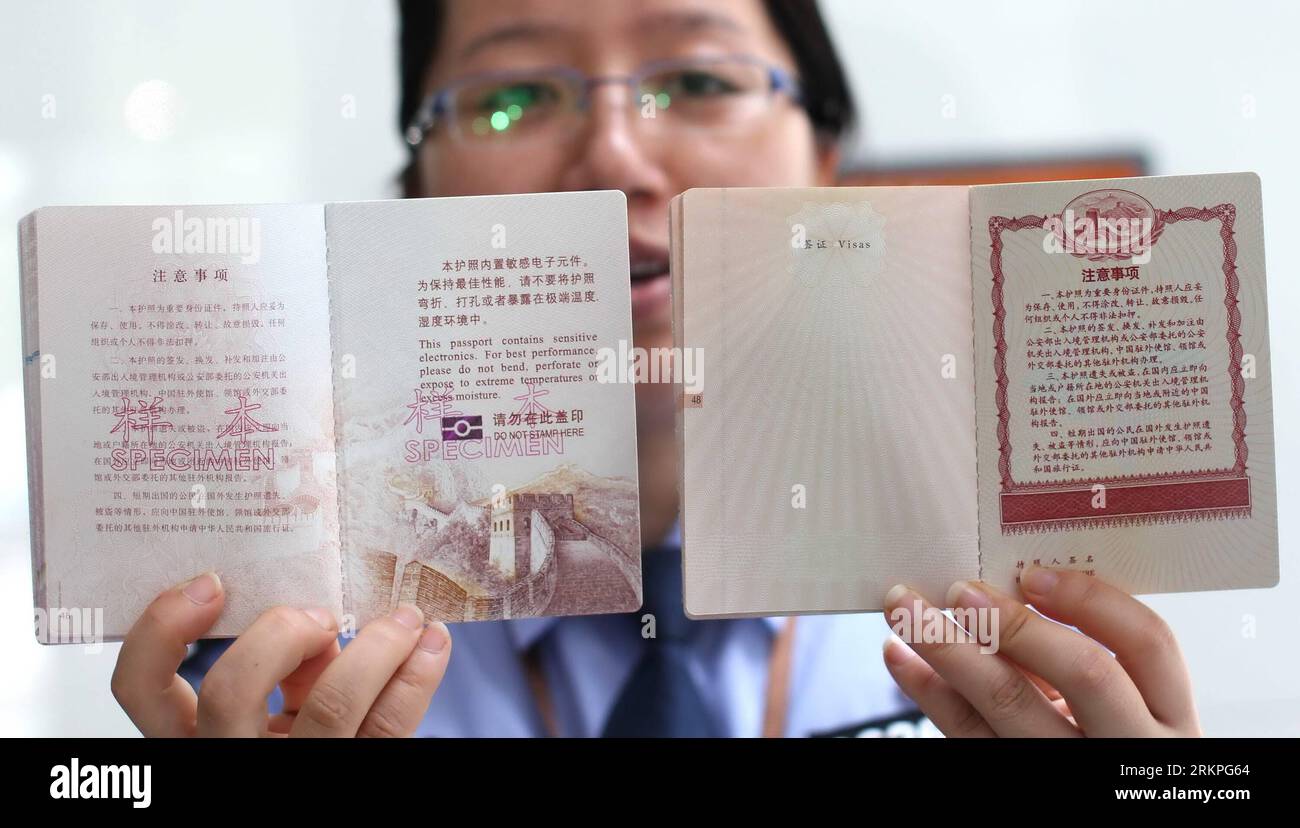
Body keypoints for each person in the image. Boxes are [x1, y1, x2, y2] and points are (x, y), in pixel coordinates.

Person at [109, 0, 1202, 737]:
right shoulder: (275, 665)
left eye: (697, 78)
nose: (616, 155)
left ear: (824, 161)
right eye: (511, 99)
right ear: (416, 194)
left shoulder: (1033, 608)